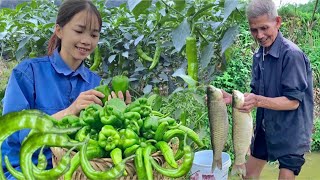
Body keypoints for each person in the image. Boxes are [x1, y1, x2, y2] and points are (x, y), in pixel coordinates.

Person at [1, 0, 130, 179]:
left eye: (94, 35)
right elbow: (14, 133)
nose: (86, 41)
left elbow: (99, 140)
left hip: (75, 171)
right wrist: (70, 111)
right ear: (59, 30)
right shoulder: (28, 73)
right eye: (79, 31)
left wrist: (121, 114)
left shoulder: (96, 83)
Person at [221, 0, 314, 179]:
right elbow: (256, 95)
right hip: (267, 125)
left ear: (277, 22)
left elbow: (293, 101)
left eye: (264, 28)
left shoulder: (291, 54)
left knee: (285, 176)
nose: (260, 35)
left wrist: (257, 100)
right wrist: (234, 99)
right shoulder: (259, 55)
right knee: (247, 175)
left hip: (291, 130)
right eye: (254, 30)